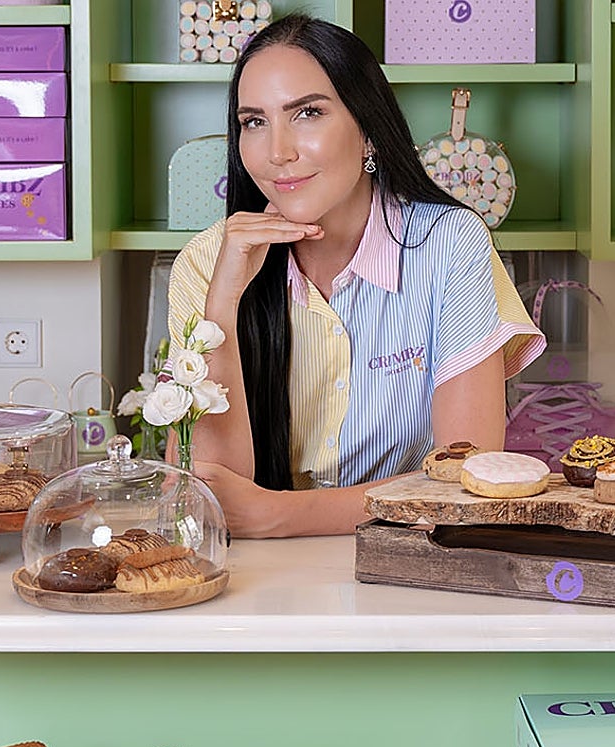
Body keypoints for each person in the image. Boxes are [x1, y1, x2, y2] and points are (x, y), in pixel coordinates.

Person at [167, 13, 545, 538]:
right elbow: (211, 496)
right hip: (254, 572)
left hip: (408, 558)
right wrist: (223, 303)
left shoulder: (450, 244)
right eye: (254, 122)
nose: (278, 152)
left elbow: (467, 481)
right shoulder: (207, 261)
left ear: (368, 129)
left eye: (308, 113)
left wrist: (281, 515)